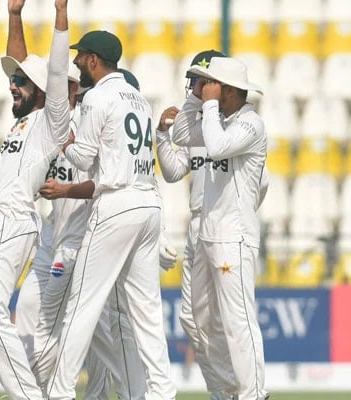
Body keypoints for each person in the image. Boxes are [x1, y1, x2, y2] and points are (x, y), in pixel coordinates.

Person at [46, 29, 177, 400]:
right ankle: (162, 392)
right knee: (147, 309)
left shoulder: (97, 96)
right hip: (148, 203)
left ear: (93, 60)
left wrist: (65, 143)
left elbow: (85, 159)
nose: (75, 63)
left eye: (80, 57)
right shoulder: (138, 98)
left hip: (116, 203)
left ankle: (59, 392)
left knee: (82, 303)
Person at [0, 0, 70, 398]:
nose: (13, 85)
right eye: (13, 82)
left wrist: (60, 16)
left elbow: (56, 70)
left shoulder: (52, 120)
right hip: (0, 218)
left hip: (11, 219)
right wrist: (14, 16)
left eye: (22, 84)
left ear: (45, 91)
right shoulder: (24, 119)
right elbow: (20, 63)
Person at [37, 68, 148, 400]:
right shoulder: (88, 121)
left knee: (98, 320)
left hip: (92, 236)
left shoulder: (103, 127)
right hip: (65, 236)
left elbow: (107, 183)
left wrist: (66, 189)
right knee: (100, 324)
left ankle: (53, 390)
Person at [171, 56, 269, 400]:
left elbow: (216, 146)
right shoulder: (218, 119)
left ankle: (254, 394)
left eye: (210, 83)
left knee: (237, 321)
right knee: (197, 322)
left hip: (233, 238)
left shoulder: (250, 123)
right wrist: (195, 97)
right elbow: (182, 134)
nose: (205, 88)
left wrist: (209, 105)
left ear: (227, 89)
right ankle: (227, 390)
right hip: (207, 236)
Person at [155, 49, 244, 400]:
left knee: (227, 321)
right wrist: (163, 136)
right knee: (192, 321)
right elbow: (175, 172)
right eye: (192, 81)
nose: (194, 87)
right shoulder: (196, 128)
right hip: (197, 227)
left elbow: (261, 183)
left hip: (225, 230)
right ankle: (227, 391)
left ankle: (240, 390)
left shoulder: (237, 126)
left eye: (200, 81)